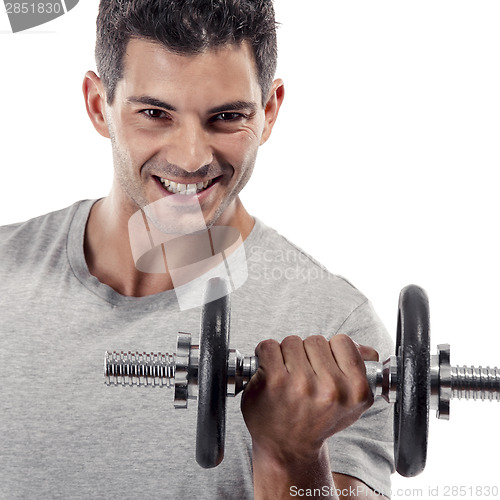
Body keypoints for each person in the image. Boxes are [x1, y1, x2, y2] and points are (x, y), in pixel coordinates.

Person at [0, 0, 394, 498]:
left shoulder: (341, 337)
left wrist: (290, 456)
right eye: (154, 113)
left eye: (226, 117)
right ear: (99, 106)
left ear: (269, 112)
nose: (191, 158)